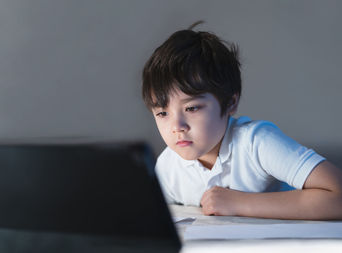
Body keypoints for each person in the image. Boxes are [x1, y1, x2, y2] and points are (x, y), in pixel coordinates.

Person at [141, 22, 342, 220]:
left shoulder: (257, 142)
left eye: (191, 108)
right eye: (162, 113)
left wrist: (239, 202)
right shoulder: (168, 166)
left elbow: (338, 195)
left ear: (230, 103)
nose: (177, 127)